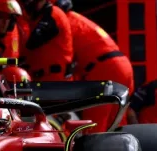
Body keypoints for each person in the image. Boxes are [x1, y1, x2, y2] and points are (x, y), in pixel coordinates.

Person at [52, 0, 134, 133]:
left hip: (104, 69)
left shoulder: (61, 22)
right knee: (117, 127)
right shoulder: (77, 19)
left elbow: (63, 62)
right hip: (123, 65)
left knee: (94, 131)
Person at [17, 0, 74, 81]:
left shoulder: (54, 14)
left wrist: (20, 20)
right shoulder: (36, 17)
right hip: (40, 78)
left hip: (55, 80)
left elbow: (33, 42)